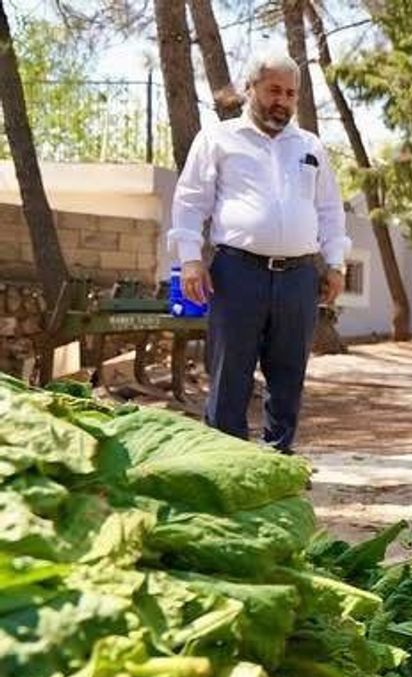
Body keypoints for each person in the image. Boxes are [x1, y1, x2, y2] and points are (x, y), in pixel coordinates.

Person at [167, 48, 350, 453]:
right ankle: (225, 461)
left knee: (288, 376)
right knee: (230, 373)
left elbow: (330, 210)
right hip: (237, 273)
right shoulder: (218, 139)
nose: (281, 101)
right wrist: (191, 259)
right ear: (250, 89)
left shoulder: (310, 146)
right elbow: (190, 201)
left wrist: (335, 264)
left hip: (300, 277)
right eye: (273, 90)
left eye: (289, 93)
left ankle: (278, 459)